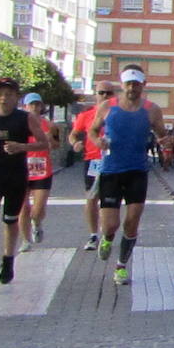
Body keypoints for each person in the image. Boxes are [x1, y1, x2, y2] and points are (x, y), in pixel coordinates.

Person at [91, 65, 167, 286]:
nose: (132, 88)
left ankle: (121, 266)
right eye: (128, 84)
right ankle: (106, 238)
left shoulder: (152, 109)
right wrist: (97, 142)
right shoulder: (107, 107)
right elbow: (93, 130)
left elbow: (161, 133)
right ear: (122, 84)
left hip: (137, 170)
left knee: (132, 220)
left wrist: (164, 140)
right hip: (111, 170)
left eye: (136, 84)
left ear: (143, 85)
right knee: (111, 224)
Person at [0, 78, 48, 285]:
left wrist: (21, 147)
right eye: (0, 94)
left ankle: (8, 259)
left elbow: (44, 143)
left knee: (10, 220)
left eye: (9, 94)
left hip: (16, 175)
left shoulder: (26, 118)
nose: (4, 98)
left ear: (16, 98)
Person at [70, 82, 118, 251]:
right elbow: (74, 134)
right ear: (96, 94)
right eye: (102, 92)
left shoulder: (120, 114)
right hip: (93, 161)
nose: (105, 96)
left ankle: (107, 233)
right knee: (91, 198)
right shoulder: (86, 115)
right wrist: (75, 143)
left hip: (114, 161)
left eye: (109, 93)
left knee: (109, 200)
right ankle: (93, 235)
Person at [18, 93, 56, 249]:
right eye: (31, 104)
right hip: (22, 169)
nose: (34, 107)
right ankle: (25, 241)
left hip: (42, 171)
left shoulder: (50, 125)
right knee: (23, 208)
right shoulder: (19, 125)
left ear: (41, 106)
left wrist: (49, 139)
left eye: (37, 104)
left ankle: (37, 222)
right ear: (25, 107)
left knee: (37, 210)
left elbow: (56, 145)